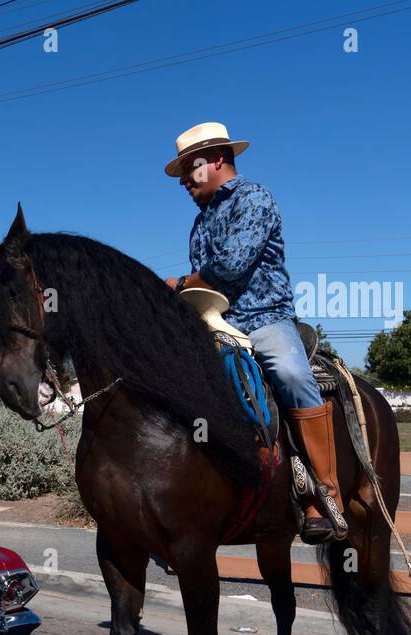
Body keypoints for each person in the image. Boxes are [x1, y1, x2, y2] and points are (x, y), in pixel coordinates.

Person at [162, 121, 345, 543]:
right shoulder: (200, 222)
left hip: (263, 319)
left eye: (191, 169)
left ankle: (323, 493)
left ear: (218, 161)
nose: (185, 180)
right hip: (213, 321)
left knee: (291, 374)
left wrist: (178, 284)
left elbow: (230, 265)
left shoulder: (253, 198)